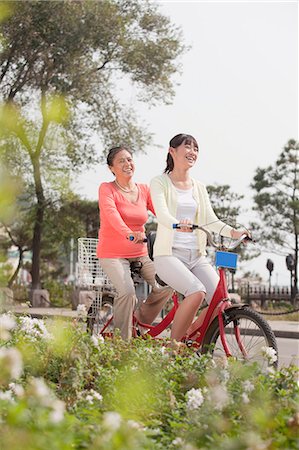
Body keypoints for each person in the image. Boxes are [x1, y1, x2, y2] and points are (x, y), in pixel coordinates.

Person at [150, 133, 250, 343]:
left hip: (196, 256)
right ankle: (173, 349)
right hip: (168, 255)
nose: (192, 152)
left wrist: (234, 232)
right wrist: (177, 224)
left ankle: (191, 336)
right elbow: (162, 213)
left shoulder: (199, 187)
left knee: (222, 300)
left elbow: (210, 220)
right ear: (172, 151)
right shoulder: (160, 182)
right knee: (196, 291)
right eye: (188, 147)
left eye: (196, 149)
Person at [97, 145, 173, 340]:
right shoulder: (107, 189)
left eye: (129, 159)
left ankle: (139, 323)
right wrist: (129, 233)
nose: (127, 164)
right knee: (128, 292)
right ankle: (123, 344)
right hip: (113, 254)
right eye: (121, 161)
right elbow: (112, 215)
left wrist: (179, 226)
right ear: (111, 168)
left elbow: (162, 213)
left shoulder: (144, 190)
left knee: (167, 284)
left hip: (139, 253)